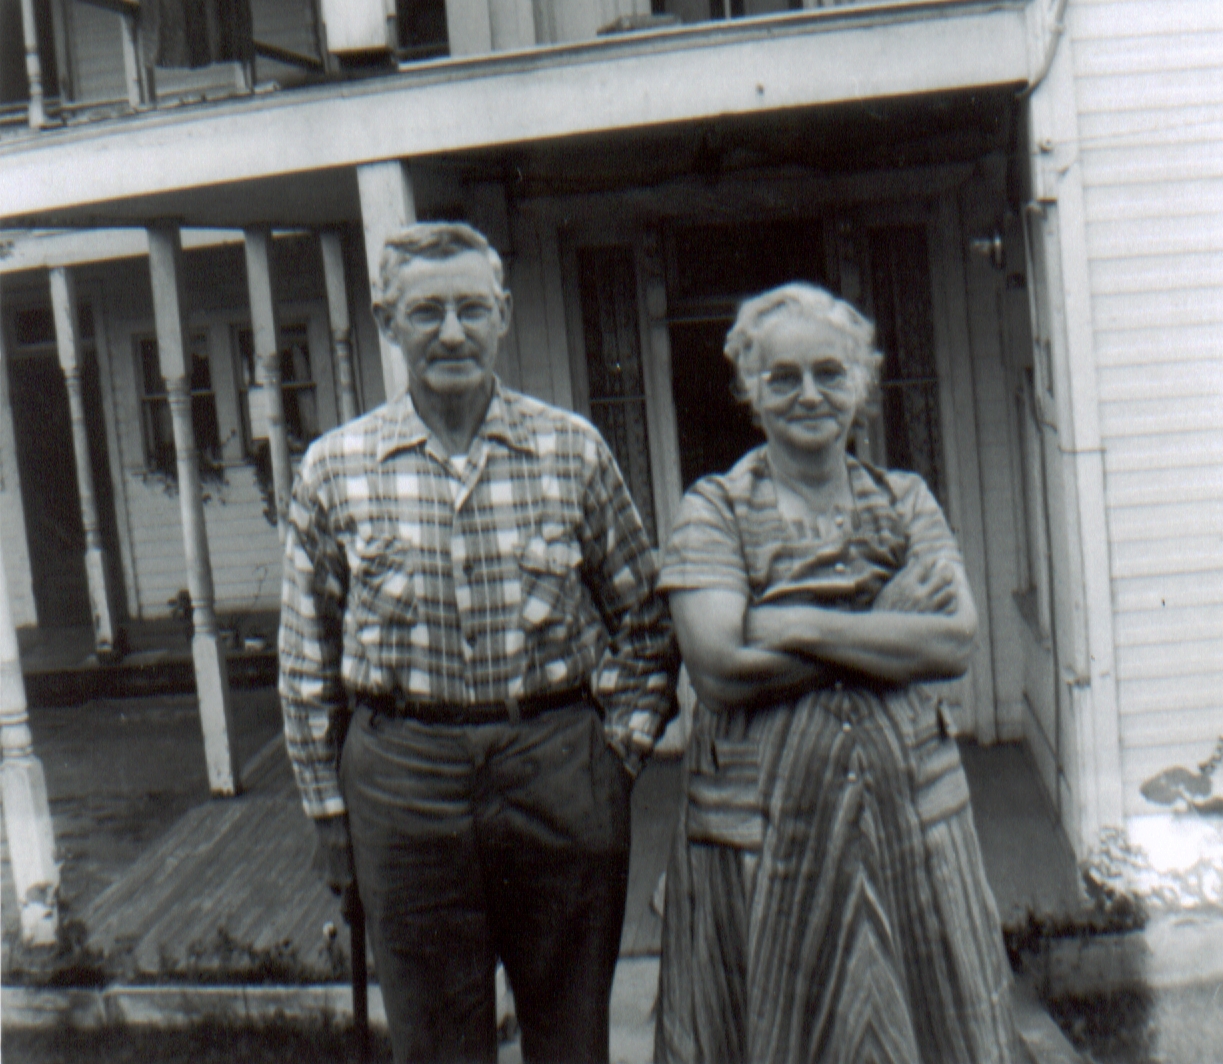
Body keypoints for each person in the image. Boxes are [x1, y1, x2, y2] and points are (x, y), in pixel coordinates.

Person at [279, 222, 679, 1064]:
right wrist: (328, 813)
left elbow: (648, 620)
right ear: (388, 323)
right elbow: (306, 664)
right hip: (402, 774)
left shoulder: (571, 449)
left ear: (503, 314)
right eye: (426, 312)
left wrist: (617, 756)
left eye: (470, 309)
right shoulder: (334, 466)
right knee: (434, 1043)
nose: (451, 333)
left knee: (570, 1033)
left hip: (557, 762)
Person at [653, 283, 1021, 1064]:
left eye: (829, 371)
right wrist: (884, 619)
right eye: (781, 377)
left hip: (909, 825)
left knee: (930, 1027)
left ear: (862, 382)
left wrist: (793, 619)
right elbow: (719, 666)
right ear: (748, 390)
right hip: (762, 837)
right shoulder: (712, 508)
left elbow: (952, 643)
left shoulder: (906, 499)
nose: (808, 393)